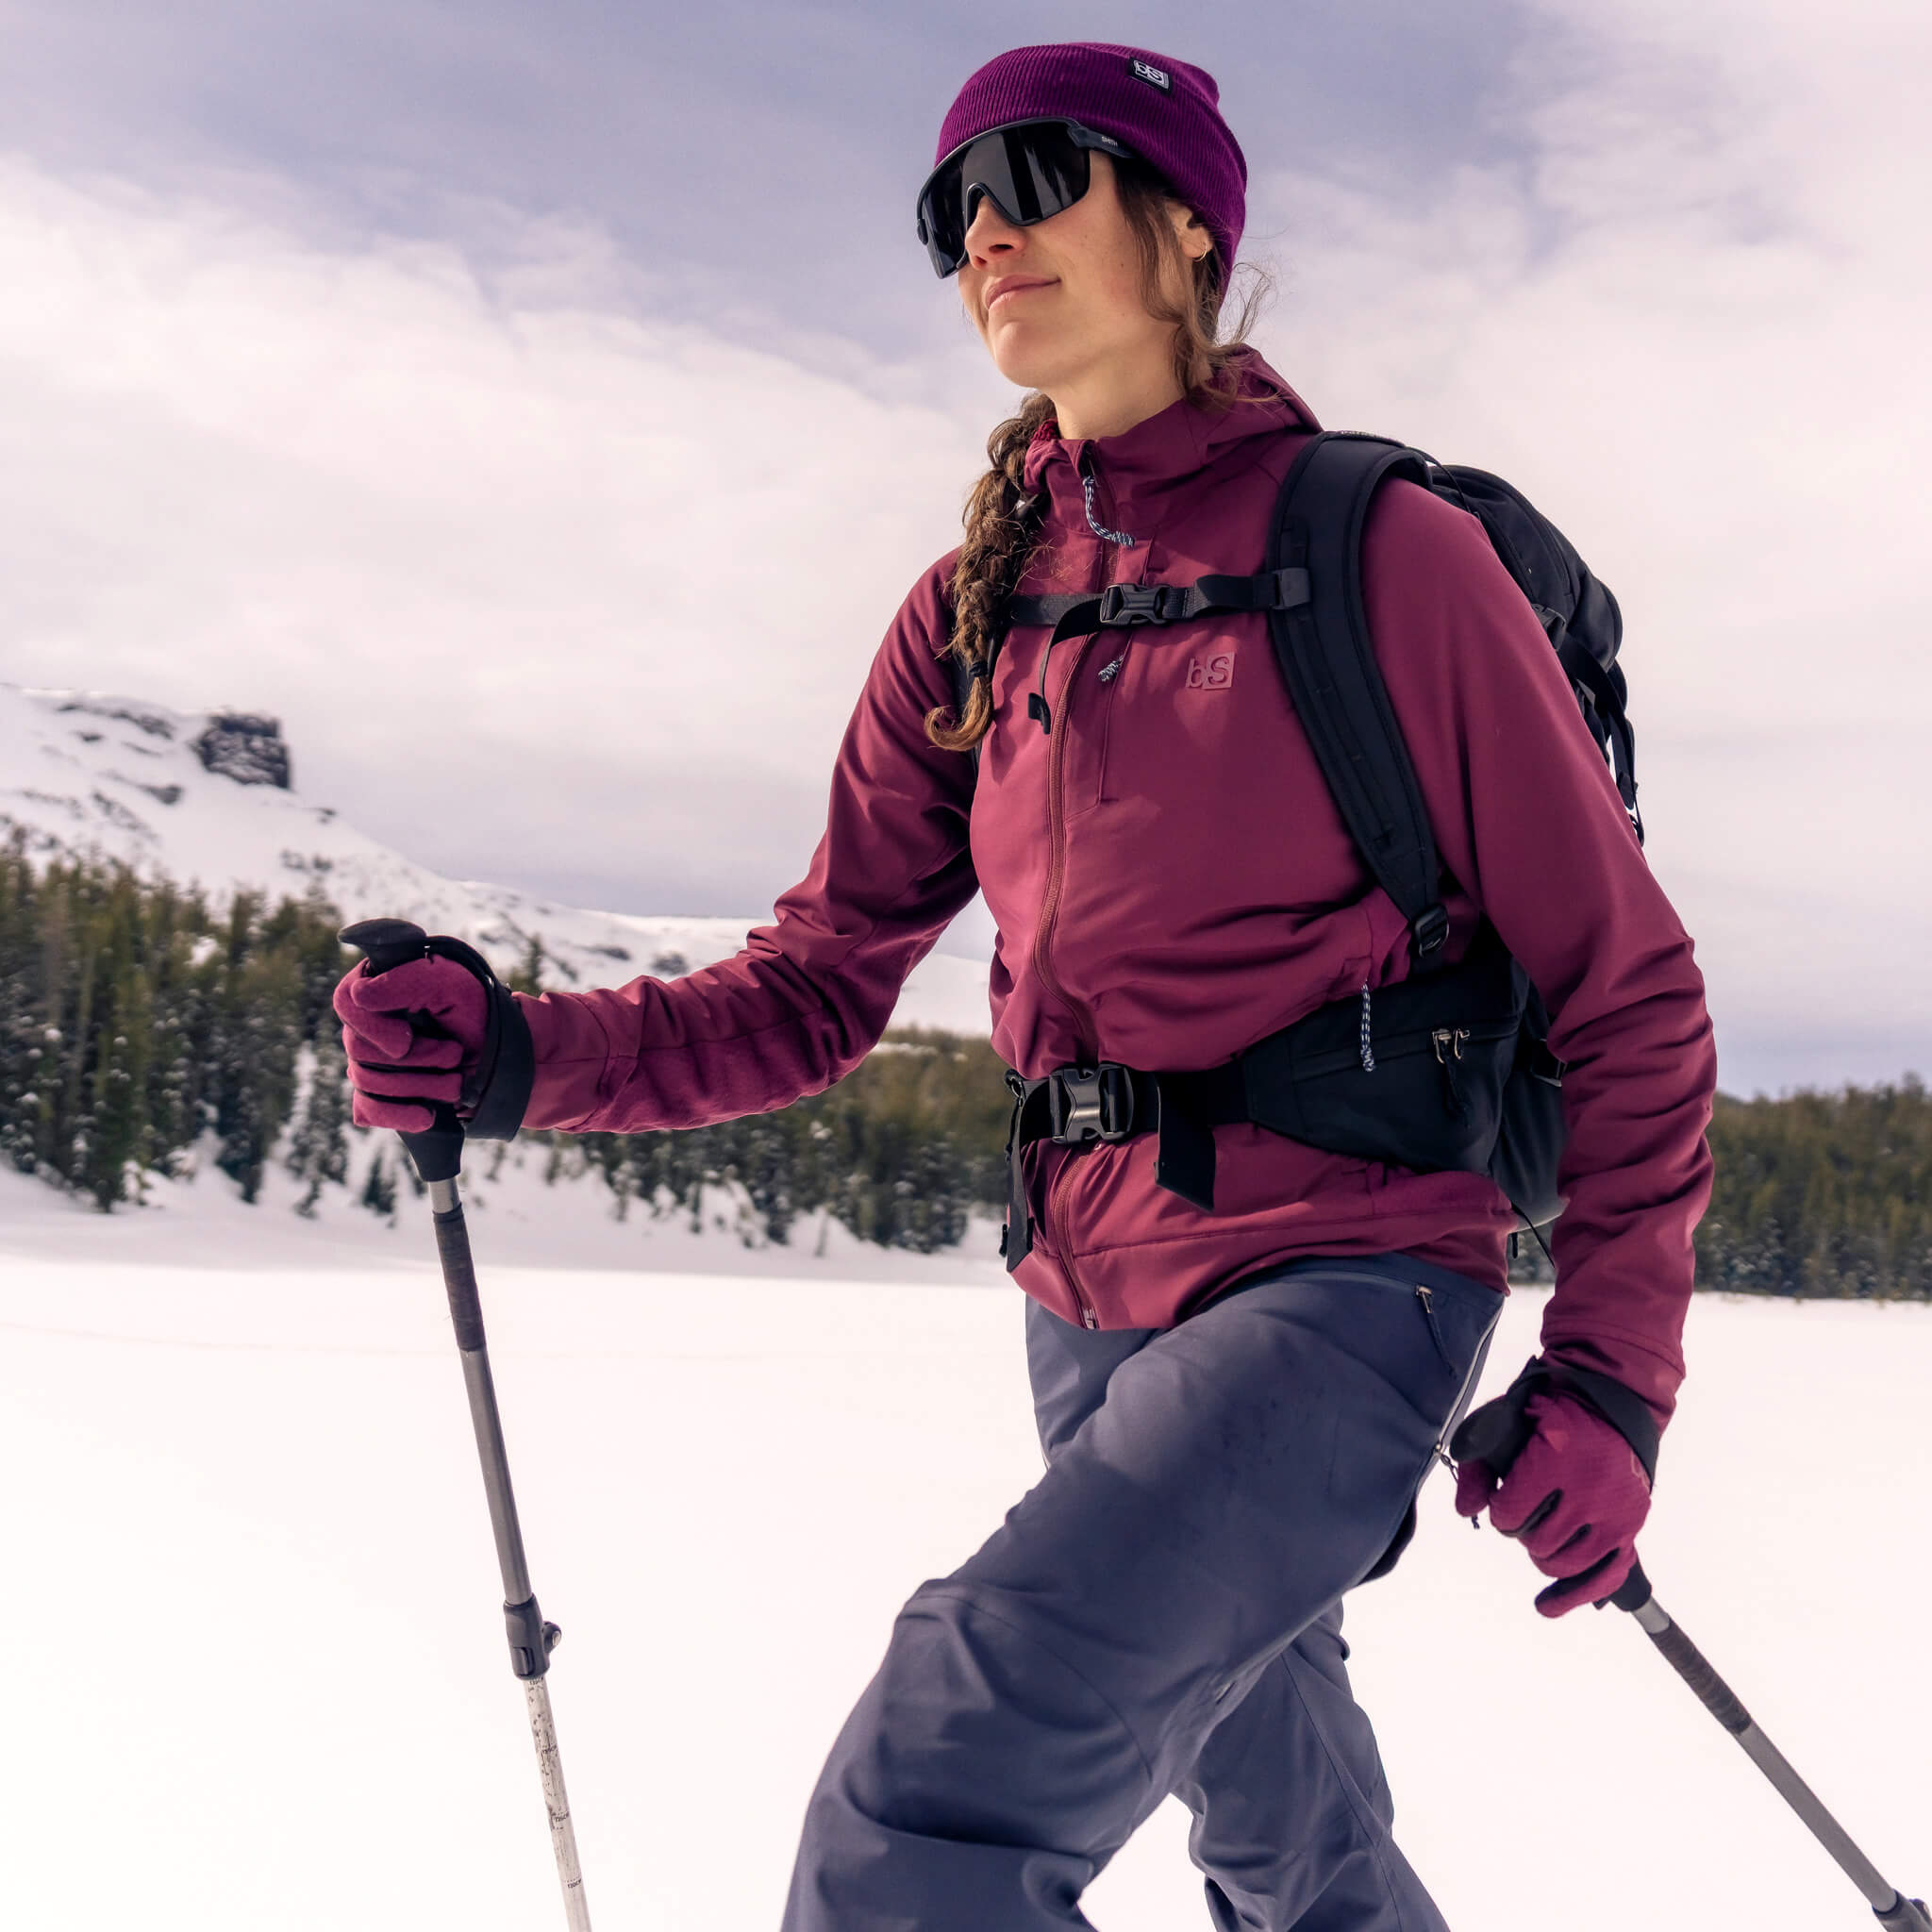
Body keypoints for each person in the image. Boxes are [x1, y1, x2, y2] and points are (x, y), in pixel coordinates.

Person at [335, 42, 1716, 1932]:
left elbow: (1627, 987)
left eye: (1037, 171)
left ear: (1183, 226)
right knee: (1286, 1839)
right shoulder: (974, 608)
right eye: (949, 206)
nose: (985, 228)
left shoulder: (1387, 557)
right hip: (1086, 1303)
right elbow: (813, 982)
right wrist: (511, 1056)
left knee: (923, 1822)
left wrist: (1610, 1381)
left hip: (1347, 1279)